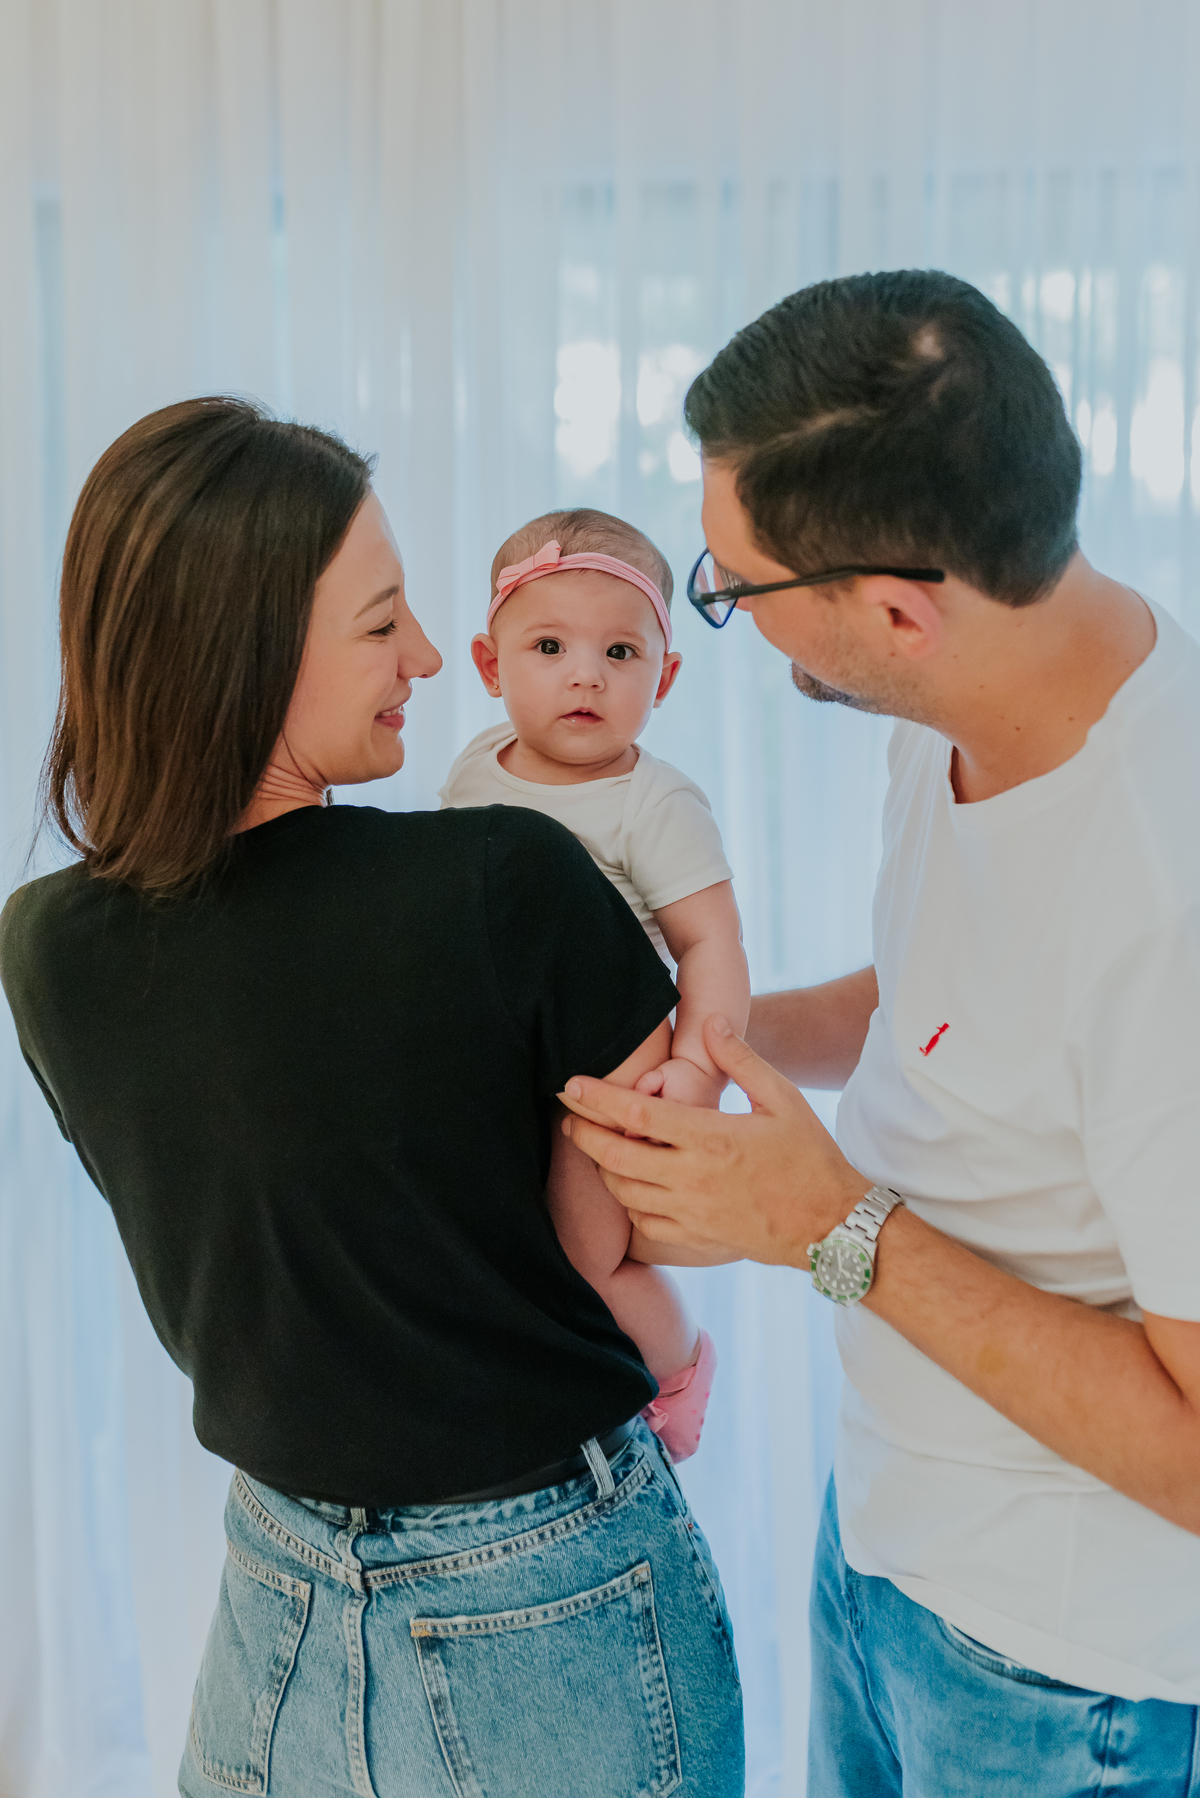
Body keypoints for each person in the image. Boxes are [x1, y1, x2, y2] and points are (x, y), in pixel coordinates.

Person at [0, 397, 745, 1798]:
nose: (421, 657)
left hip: (270, 1582)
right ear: (252, 639)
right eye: (383, 620)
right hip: (550, 1588)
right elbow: (677, 1205)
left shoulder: (44, 942)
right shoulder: (504, 878)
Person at [559, 271, 1200, 1796]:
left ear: (903, 612)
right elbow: (938, 999)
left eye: (738, 589)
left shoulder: (1167, 894)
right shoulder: (973, 712)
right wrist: (717, 1028)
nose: (724, 621)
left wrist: (826, 1223)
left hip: (1063, 1677)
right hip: (889, 1547)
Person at [441, 506, 751, 1459]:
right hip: (502, 1055)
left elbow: (712, 947)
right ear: (492, 668)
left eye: (621, 653)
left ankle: (674, 1372)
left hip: (606, 1076)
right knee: (499, 1242)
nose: (586, 674)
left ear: (664, 677)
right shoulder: (471, 773)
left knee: (585, 1259)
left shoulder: (653, 802)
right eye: (549, 645)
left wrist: (697, 1075)